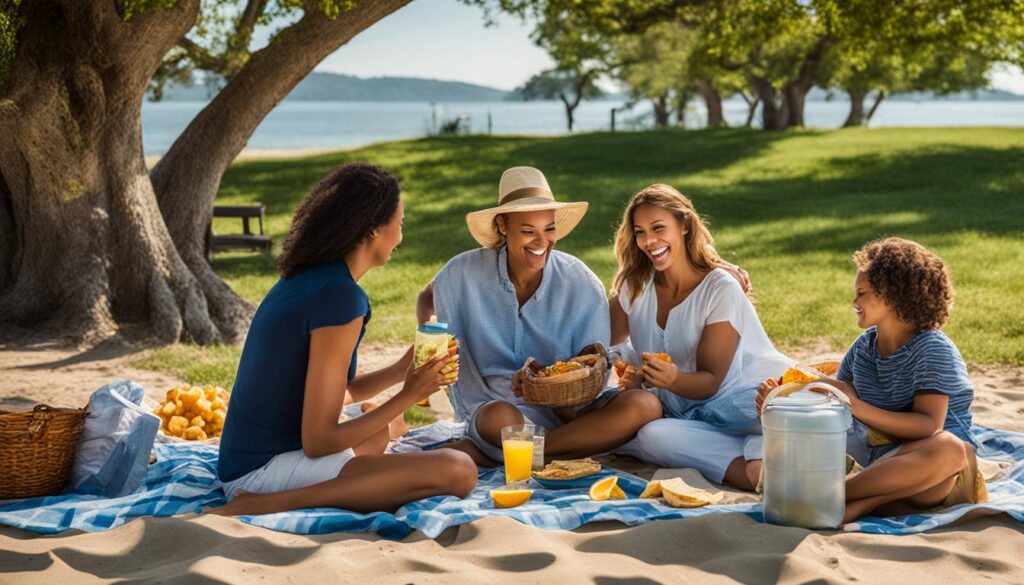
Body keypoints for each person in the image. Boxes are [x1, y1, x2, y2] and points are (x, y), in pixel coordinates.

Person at [210, 163, 477, 517]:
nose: (401, 236)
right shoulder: (340, 298)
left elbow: (337, 392)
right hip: (260, 472)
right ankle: (264, 504)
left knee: (381, 428)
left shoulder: (312, 280)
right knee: (458, 470)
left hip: (246, 458)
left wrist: (402, 370)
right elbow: (319, 441)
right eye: (399, 224)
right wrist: (410, 394)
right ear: (372, 230)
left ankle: (295, 491)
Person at [417, 166, 663, 466]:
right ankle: (556, 451)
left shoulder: (581, 283)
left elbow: (592, 378)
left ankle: (523, 455)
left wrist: (545, 390)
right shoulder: (463, 272)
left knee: (645, 404)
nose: (541, 242)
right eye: (528, 231)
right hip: (497, 408)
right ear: (503, 226)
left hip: (570, 415)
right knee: (499, 417)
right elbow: (427, 296)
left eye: (549, 229)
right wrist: (429, 341)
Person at [755, 237, 986, 523]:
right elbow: (840, 408)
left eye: (862, 293)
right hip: (883, 468)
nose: (855, 301)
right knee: (889, 482)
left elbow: (928, 426)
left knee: (949, 449)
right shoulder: (864, 348)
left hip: (943, 473)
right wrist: (785, 402)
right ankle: (859, 505)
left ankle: (826, 497)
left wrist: (855, 405)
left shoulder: (932, 349)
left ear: (892, 295)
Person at [611, 184, 793, 490]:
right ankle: (755, 472)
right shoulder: (636, 285)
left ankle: (765, 449)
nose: (648, 241)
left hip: (749, 400)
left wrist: (671, 380)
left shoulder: (719, 288)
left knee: (785, 422)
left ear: (684, 225)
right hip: (694, 416)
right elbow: (599, 339)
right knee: (652, 436)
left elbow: (711, 382)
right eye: (640, 232)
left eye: (658, 228)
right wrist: (638, 376)